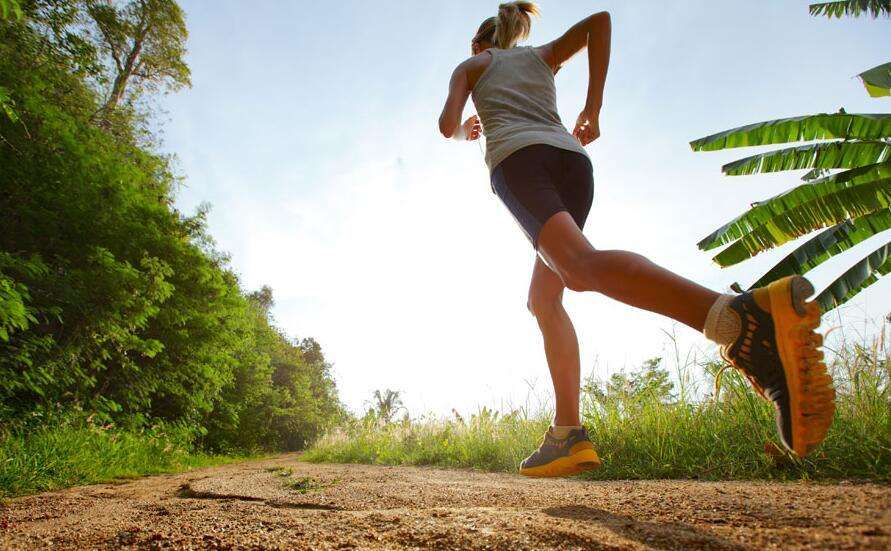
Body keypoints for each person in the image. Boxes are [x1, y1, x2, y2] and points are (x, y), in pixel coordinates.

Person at [438, 2, 835, 478]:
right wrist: (593, 108)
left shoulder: (472, 65)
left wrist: (466, 131)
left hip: (519, 162)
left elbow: (447, 125)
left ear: (481, 44)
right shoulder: (540, 56)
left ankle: (737, 322)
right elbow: (598, 23)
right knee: (544, 299)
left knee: (579, 268)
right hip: (572, 162)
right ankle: (568, 434)